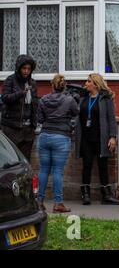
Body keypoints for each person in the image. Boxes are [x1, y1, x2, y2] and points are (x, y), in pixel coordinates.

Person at [76, 73, 119, 205]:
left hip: (101, 137)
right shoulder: (83, 98)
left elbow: (111, 119)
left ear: (95, 84)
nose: (86, 83)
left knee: (102, 166)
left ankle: (106, 195)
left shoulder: (105, 99)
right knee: (87, 165)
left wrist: (113, 137)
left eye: (89, 81)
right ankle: (85, 194)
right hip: (86, 138)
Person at [37, 74, 79, 213]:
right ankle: (58, 203)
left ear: (52, 85)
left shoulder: (43, 99)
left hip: (44, 135)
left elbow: (40, 119)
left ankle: (39, 202)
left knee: (43, 170)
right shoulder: (69, 100)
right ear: (64, 86)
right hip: (61, 136)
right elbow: (76, 113)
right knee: (58, 171)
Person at [1, 54, 38, 161]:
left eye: (29, 69)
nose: (26, 71)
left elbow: (35, 104)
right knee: (13, 161)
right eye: (24, 68)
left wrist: (34, 124)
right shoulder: (10, 80)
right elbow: (5, 98)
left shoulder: (32, 83)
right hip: (12, 128)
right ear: (19, 68)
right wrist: (20, 93)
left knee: (26, 161)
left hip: (28, 130)